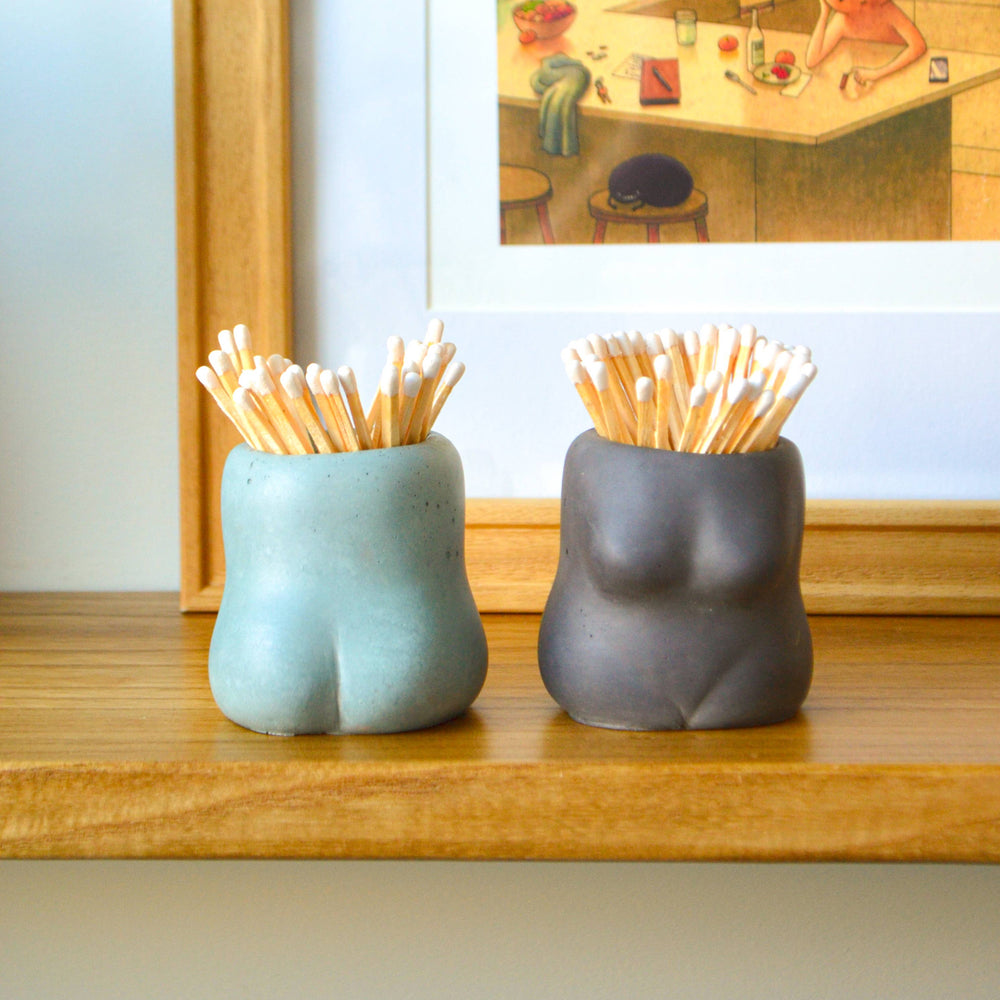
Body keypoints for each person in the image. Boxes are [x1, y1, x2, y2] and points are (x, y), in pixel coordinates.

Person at [805, 0, 927, 85]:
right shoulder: (842, 19)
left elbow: (918, 45)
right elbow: (812, 60)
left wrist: (876, 74)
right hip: (868, 82)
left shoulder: (885, 9)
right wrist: (824, 14)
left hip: (896, 75)